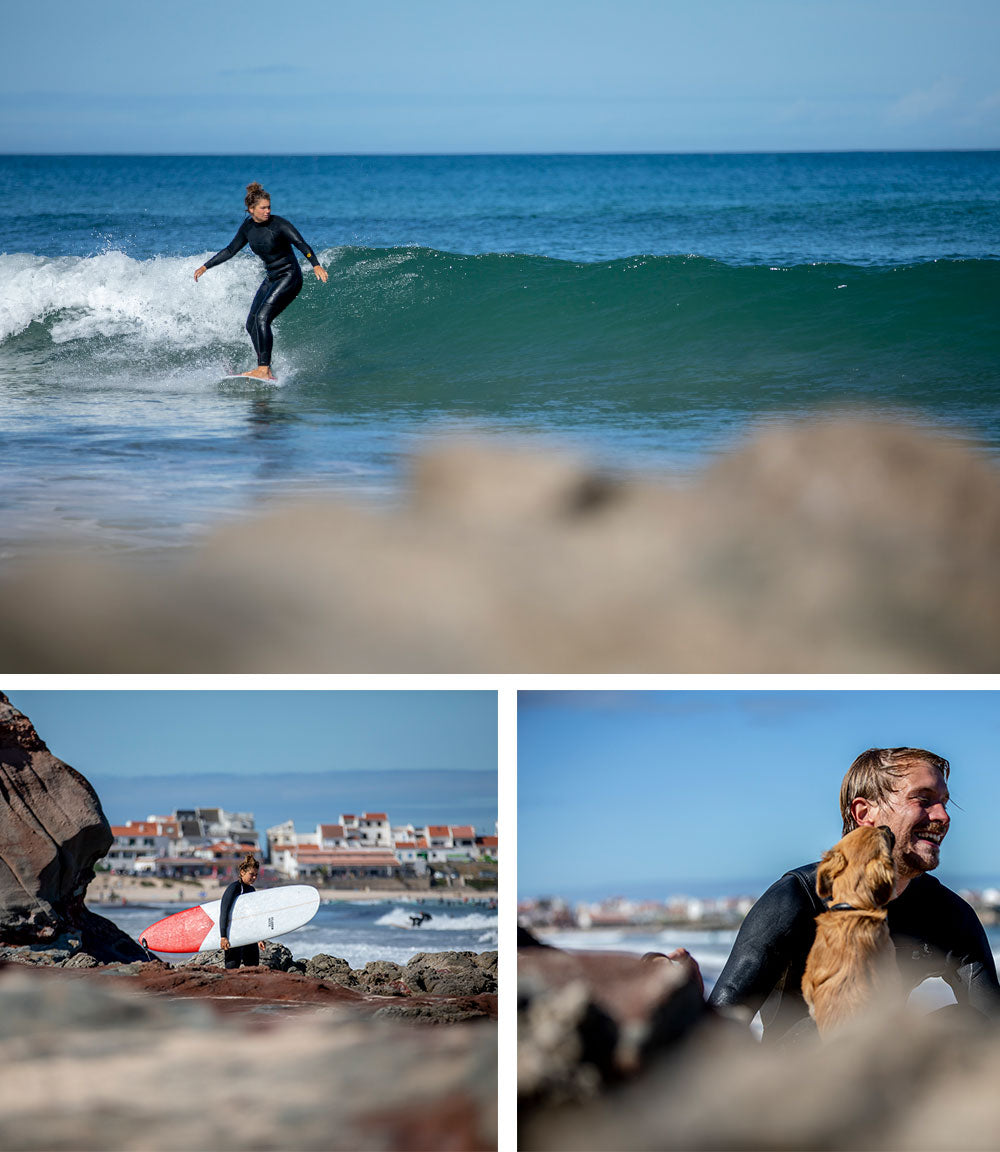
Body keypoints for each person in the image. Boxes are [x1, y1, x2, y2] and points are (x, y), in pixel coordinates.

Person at [709, 747, 1000, 1043]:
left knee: (967, 1023)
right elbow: (720, 1023)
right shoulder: (797, 898)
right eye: (923, 800)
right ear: (864, 813)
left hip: (886, 1069)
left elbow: (992, 1023)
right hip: (795, 1075)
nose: (943, 816)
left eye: (944, 804)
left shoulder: (948, 914)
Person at [194, 182, 328, 380]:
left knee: (263, 318)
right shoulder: (248, 228)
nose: (268, 211)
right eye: (263, 208)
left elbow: (300, 243)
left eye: (269, 207)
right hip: (272, 277)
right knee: (251, 324)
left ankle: (263, 369)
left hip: (289, 276)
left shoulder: (279, 224)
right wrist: (206, 266)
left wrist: (315, 264)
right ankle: (266, 368)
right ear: (251, 210)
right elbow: (231, 250)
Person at [219, 852, 266, 969]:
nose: (254, 877)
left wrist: (259, 937)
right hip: (234, 934)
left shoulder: (251, 889)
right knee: (232, 968)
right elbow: (224, 911)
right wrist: (223, 936)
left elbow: (253, 916)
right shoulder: (233, 888)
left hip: (249, 935)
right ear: (242, 872)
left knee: (253, 967)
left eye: (256, 875)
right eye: (251, 874)